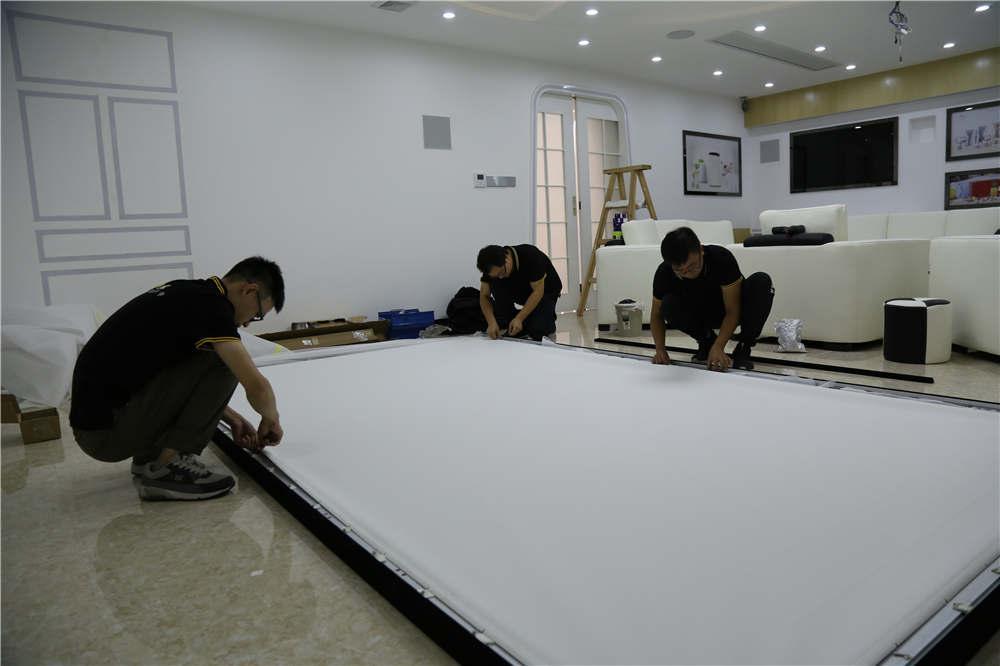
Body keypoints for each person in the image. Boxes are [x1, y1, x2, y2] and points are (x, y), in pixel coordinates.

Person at [70, 256, 286, 501]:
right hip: (106, 433)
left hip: (97, 425)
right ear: (249, 290)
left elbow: (171, 377)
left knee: (205, 353)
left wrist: (231, 417)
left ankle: (152, 457)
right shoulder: (213, 308)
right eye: (256, 314)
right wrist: (271, 418)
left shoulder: (188, 292)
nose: (247, 323)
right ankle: (168, 468)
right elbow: (256, 384)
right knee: (222, 360)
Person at [650, 227, 773, 371]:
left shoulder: (720, 258)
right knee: (668, 304)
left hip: (731, 309)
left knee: (761, 282)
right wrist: (660, 350)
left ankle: (744, 346)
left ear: (701, 250)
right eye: (679, 270)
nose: (687, 273)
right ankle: (707, 341)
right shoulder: (665, 272)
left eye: (692, 266)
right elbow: (656, 315)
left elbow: (733, 310)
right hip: (700, 314)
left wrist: (719, 346)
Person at [477, 244, 562, 341]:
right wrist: (491, 322)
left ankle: (545, 318)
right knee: (503, 323)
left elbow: (538, 291)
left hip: (546, 290)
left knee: (538, 329)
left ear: (507, 259)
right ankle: (522, 319)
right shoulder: (491, 268)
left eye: (502, 272)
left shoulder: (531, 256)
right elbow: (484, 295)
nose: (500, 277)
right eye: (496, 275)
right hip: (521, 289)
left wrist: (519, 318)